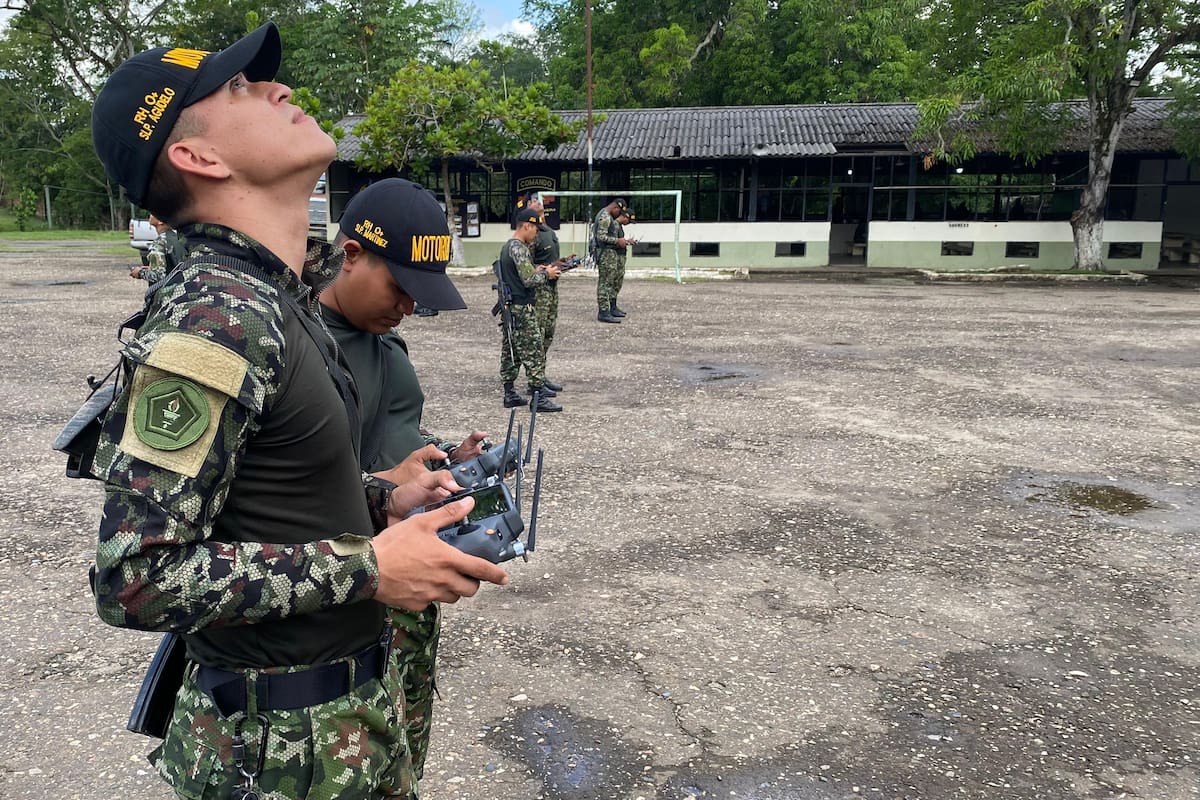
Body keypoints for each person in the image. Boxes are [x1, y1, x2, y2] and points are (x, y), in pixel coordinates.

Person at [88, 23, 508, 799]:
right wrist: (371, 567)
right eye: (238, 87)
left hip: (339, 724)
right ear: (198, 156)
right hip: (277, 751)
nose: (278, 87)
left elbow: (269, 499)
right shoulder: (213, 316)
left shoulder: (276, 301)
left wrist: (383, 502)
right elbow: (136, 577)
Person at [319, 177, 490, 790]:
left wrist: (445, 457)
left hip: (411, 562)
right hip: (349, 574)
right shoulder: (298, 348)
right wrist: (380, 486)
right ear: (352, 254)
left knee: (408, 735)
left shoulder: (383, 342)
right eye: (400, 288)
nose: (408, 307)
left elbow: (394, 429)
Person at [496, 206, 562, 411]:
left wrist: (537, 269)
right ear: (526, 226)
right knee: (534, 351)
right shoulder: (519, 248)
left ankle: (509, 393)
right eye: (535, 229)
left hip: (511, 308)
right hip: (522, 308)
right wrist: (547, 274)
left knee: (512, 350)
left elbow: (520, 273)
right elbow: (529, 280)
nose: (536, 233)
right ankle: (537, 396)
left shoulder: (508, 247)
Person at [519, 191, 572, 394]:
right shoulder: (530, 234)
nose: (537, 202)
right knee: (537, 335)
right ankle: (534, 381)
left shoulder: (546, 229)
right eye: (533, 200)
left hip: (551, 288)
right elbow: (526, 266)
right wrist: (543, 270)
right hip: (538, 291)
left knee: (548, 333)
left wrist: (561, 263)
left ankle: (541, 374)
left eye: (538, 200)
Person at [593, 197, 633, 323]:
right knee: (605, 283)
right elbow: (601, 237)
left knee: (610, 282)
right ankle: (604, 312)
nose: (619, 215)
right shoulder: (605, 216)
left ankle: (610, 308)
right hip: (605, 253)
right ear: (615, 207)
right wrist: (617, 241)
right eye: (619, 212)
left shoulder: (607, 216)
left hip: (609, 253)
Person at [129, 213, 186, 283]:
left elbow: (158, 276)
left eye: (153, 213)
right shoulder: (177, 238)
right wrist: (151, 268)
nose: (150, 215)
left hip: (167, 288)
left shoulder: (160, 242)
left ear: (161, 221)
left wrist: (139, 272)